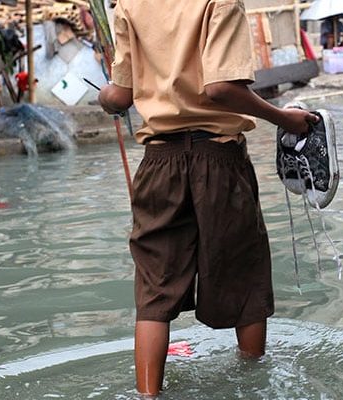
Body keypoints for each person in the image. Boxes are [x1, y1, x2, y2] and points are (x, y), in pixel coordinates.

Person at [97, 0, 318, 396]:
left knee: (154, 290)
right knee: (243, 276)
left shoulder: (130, 5)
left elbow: (120, 96)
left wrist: (105, 98)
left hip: (158, 163)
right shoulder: (221, 2)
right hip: (219, 160)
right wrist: (284, 118)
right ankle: (253, 386)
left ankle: (147, 394)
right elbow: (221, 89)